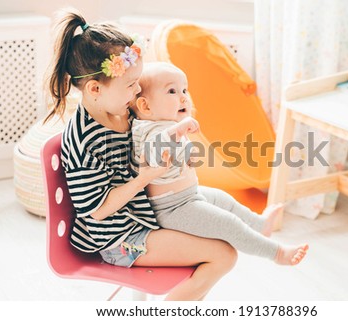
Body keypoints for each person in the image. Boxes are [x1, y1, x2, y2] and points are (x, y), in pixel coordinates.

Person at [45, 8, 238, 301]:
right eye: (130, 84)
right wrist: (144, 177)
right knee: (223, 255)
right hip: (121, 241)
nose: (137, 91)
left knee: (225, 223)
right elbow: (97, 210)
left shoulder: (122, 109)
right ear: (95, 88)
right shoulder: (86, 140)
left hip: (147, 214)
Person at [130, 62, 309, 266]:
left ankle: (259, 224)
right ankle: (277, 254)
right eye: (172, 91)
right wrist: (178, 131)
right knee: (227, 223)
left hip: (188, 196)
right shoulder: (147, 130)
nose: (183, 97)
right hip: (171, 210)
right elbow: (154, 149)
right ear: (145, 106)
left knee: (223, 199)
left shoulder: (168, 124)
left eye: (184, 90)